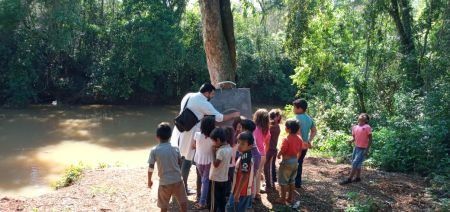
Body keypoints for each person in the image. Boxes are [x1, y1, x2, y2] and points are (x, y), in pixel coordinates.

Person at [170, 83, 240, 194]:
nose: (212, 96)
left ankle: (177, 186)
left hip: (179, 130)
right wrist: (234, 115)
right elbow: (219, 117)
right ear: (206, 93)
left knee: (179, 158)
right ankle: (182, 188)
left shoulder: (188, 96)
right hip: (190, 133)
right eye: (212, 94)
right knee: (187, 161)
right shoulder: (203, 103)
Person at [148, 123, 188, 212]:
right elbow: (179, 163)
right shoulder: (175, 148)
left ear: (157, 137)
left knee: (164, 206)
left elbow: (151, 167)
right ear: (170, 136)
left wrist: (149, 180)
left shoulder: (154, 150)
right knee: (183, 203)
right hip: (177, 180)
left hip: (164, 183)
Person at [340, 113, 373, 185]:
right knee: (357, 164)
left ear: (366, 120)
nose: (362, 115)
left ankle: (349, 179)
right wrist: (351, 141)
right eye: (361, 115)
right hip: (356, 147)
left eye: (364, 115)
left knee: (355, 162)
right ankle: (358, 178)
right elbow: (354, 137)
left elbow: (370, 139)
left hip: (363, 148)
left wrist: (367, 150)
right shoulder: (355, 127)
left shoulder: (367, 127)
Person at [276, 119, 302, 205]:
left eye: (286, 127)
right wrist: (297, 159)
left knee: (283, 182)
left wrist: (279, 154)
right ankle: (290, 198)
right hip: (295, 161)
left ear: (289, 129)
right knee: (292, 180)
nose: (285, 128)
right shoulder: (299, 138)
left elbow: (283, 149)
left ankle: (282, 199)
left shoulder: (286, 139)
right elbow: (300, 151)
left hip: (287, 162)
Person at [226, 132, 255, 212]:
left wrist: (237, 193)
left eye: (242, 144)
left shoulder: (245, 158)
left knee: (232, 208)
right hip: (239, 190)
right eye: (238, 142)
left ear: (250, 146)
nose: (239, 145)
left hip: (241, 192)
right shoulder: (244, 155)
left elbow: (245, 176)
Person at [192, 116, 216, 209]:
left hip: (198, 159)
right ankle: (203, 202)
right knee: (205, 180)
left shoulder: (197, 134)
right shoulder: (213, 138)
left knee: (203, 179)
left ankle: (202, 199)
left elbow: (193, 146)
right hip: (209, 160)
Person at [293, 99, 317, 188]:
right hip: (305, 145)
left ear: (300, 109)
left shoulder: (296, 118)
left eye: (294, 107)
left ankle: (292, 182)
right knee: (300, 162)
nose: (293, 109)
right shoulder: (309, 118)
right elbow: (314, 131)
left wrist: (301, 141)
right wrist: (309, 140)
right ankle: (297, 182)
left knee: (293, 162)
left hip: (296, 145)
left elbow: (297, 132)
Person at [209, 128, 233, 212]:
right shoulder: (229, 148)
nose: (213, 143)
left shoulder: (221, 151)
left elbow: (216, 164)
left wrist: (213, 152)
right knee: (221, 199)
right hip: (224, 178)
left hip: (215, 179)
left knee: (213, 200)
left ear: (218, 140)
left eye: (213, 141)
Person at [240, 119, 260, 206]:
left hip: (252, 156)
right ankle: (251, 198)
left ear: (245, 128)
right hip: (256, 156)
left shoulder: (246, 136)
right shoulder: (251, 134)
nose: (240, 129)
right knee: (252, 177)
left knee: (249, 178)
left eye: (241, 127)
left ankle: (249, 200)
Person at [253, 109, 271, 199]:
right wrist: (264, 153)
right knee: (259, 173)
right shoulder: (267, 130)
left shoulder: (254, 128)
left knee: (254, 174)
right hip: (263, 154)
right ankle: (257, 193)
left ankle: (252, 194)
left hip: (255, 154)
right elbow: (267, 144)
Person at [264, 109, 281, 190]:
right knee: (271, 166)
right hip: (274, 149)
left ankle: (268, 185)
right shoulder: (277, 126)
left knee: (266, 166)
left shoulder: (270, 128)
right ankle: (271, 183)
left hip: (269, 149)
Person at [224, 126, 237, 198]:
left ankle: (227, 195)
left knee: (227, 181)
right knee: (232, 181)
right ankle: (231, 195)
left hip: (225, 167)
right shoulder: (235, 145)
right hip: (233, 166)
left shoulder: (224, 146)